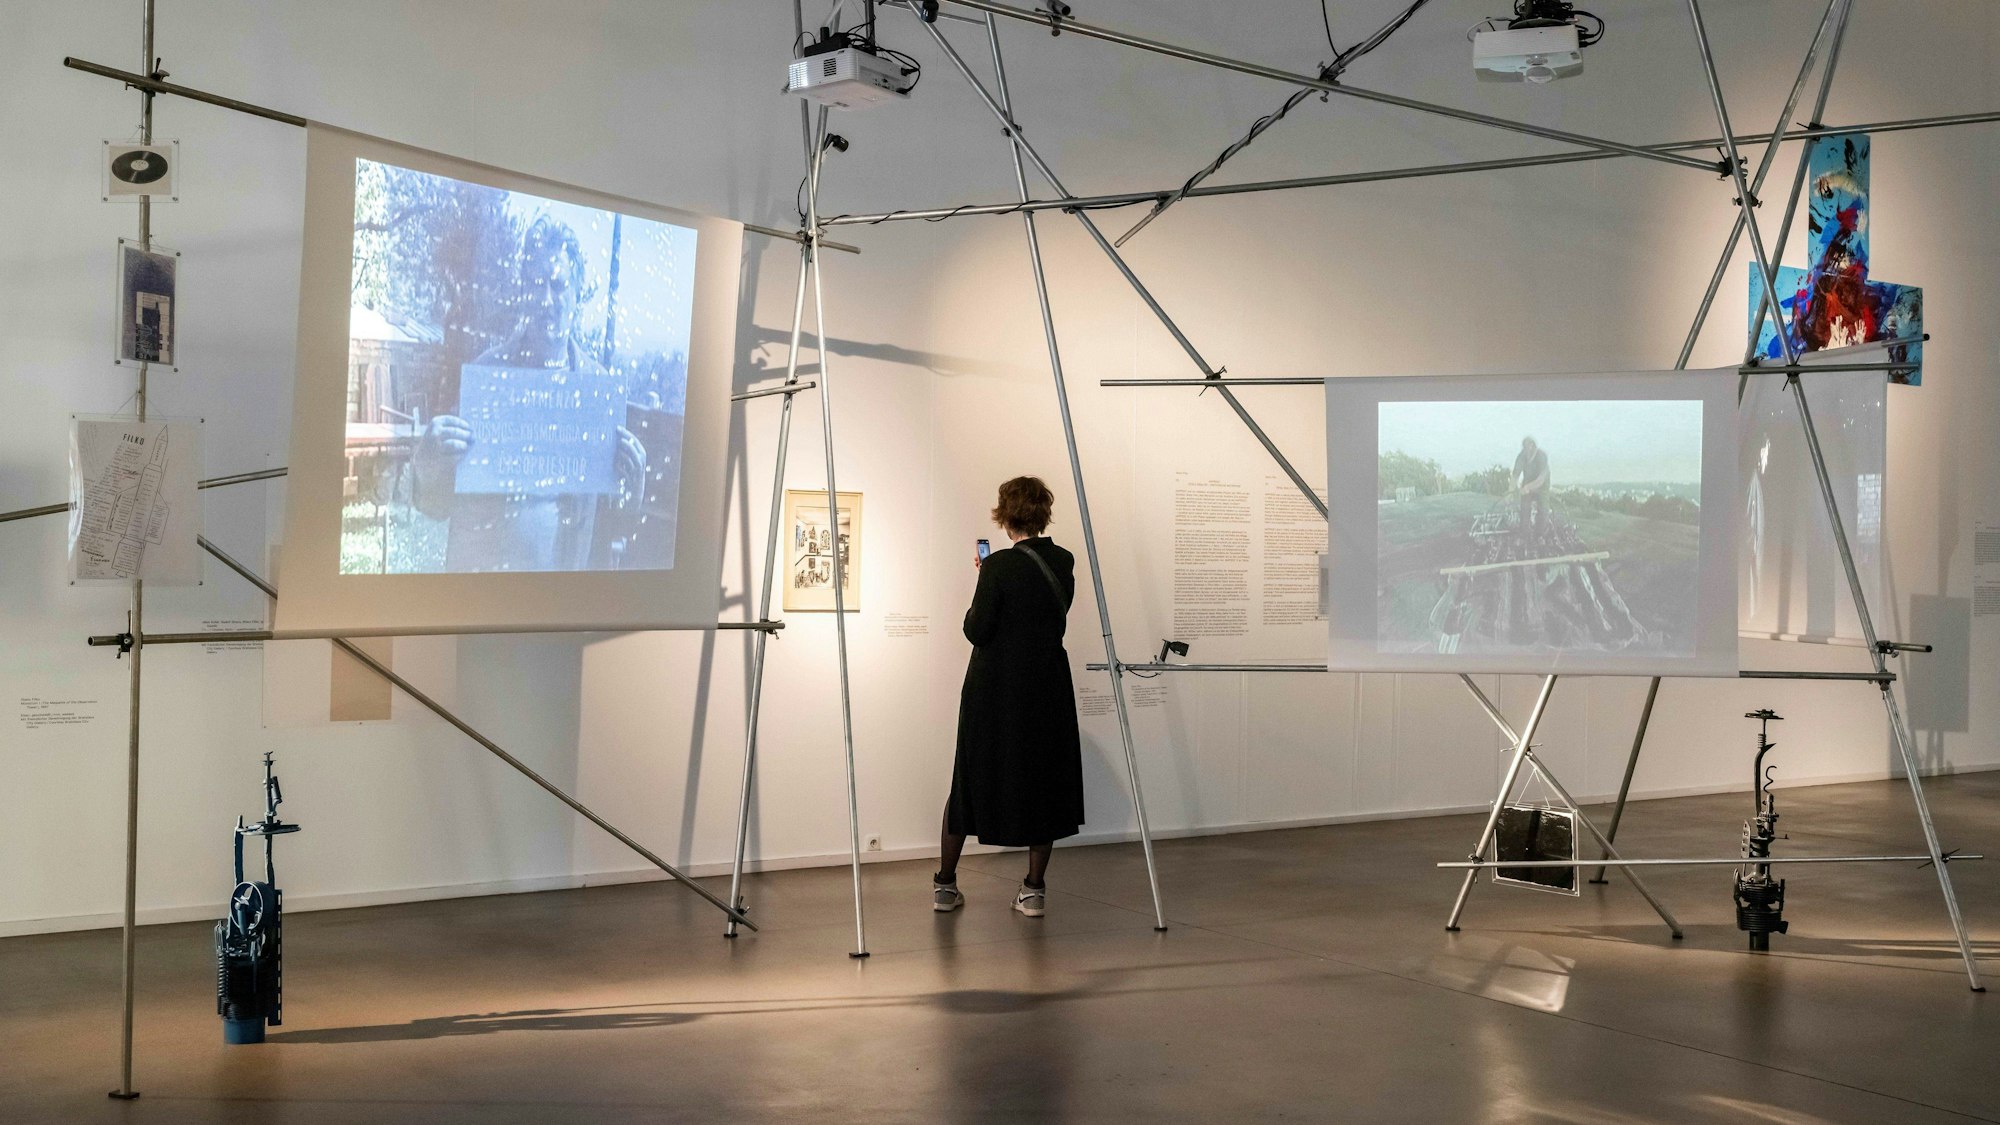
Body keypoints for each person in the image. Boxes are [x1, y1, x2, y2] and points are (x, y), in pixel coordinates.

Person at [411, 215, 646, 572]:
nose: (546, 299)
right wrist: (427, 465)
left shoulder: (596, 392)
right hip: (486, 599)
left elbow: (614, 526)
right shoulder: (487, 380)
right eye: (536, 285)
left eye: (558, 284)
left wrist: (636, 483)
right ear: (523, 290)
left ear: (578, 290)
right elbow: (435, 505)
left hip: (560, 605)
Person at [933, 476, 1084, 919]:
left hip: (995, 689)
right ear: (1043, 512)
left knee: (968, 780)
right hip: (1046, 685)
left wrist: (982, 586)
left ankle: (945, 886)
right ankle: (1033, 891)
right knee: (1043, 781)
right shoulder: (1063, 560)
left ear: (1004, 514)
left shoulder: (998, 565)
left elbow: (977, 630)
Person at [1512, 435, 1550, 538]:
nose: (1525, 450)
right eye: (1523, 447)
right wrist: (1511, 490)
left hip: (1542, 486)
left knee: (1543, 508)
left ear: (1533, 446)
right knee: (1524, 507)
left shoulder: (1542, 456)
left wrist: (1528, 487)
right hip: (1527, 482)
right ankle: (1525, 535)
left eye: (1527, 447)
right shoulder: (1522, 456)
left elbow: (1541, 480)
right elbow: (1515, 475)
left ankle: (1540, 535)